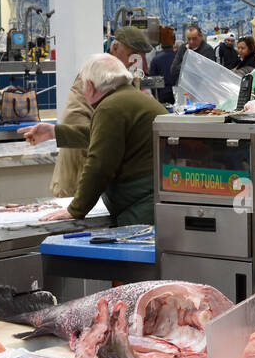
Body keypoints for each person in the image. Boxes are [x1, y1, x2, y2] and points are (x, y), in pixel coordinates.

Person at [26, 53, 167, 225]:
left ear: (91, 86)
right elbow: (103, 137)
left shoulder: (110, 106)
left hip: (142, 205)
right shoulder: (129, 97)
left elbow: (99, 164)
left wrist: (76, 209)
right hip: (155, 198)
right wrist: (54, 132)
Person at [25, 25, 151, 197]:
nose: (134, 63)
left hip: (104, 185)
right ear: (115, 48)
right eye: (132, 56)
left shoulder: (126, 78)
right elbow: (77, 120)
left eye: (139, 58)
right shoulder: (94, 76)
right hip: (79, 179)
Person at [166, 23, 216, 89]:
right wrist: (189, 63)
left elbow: (210, 73)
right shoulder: (183, 48)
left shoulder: (207, 50)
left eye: (194, 38)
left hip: (200, 89)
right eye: (189, 39)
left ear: (201, 36)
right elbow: (173, 70)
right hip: (184, 88)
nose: (191, 42)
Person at [148, 25, 178, 104]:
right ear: (174, 41)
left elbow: (152, 83)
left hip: (163, 96)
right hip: (179, 94)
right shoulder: (178, 57)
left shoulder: (156, 59)